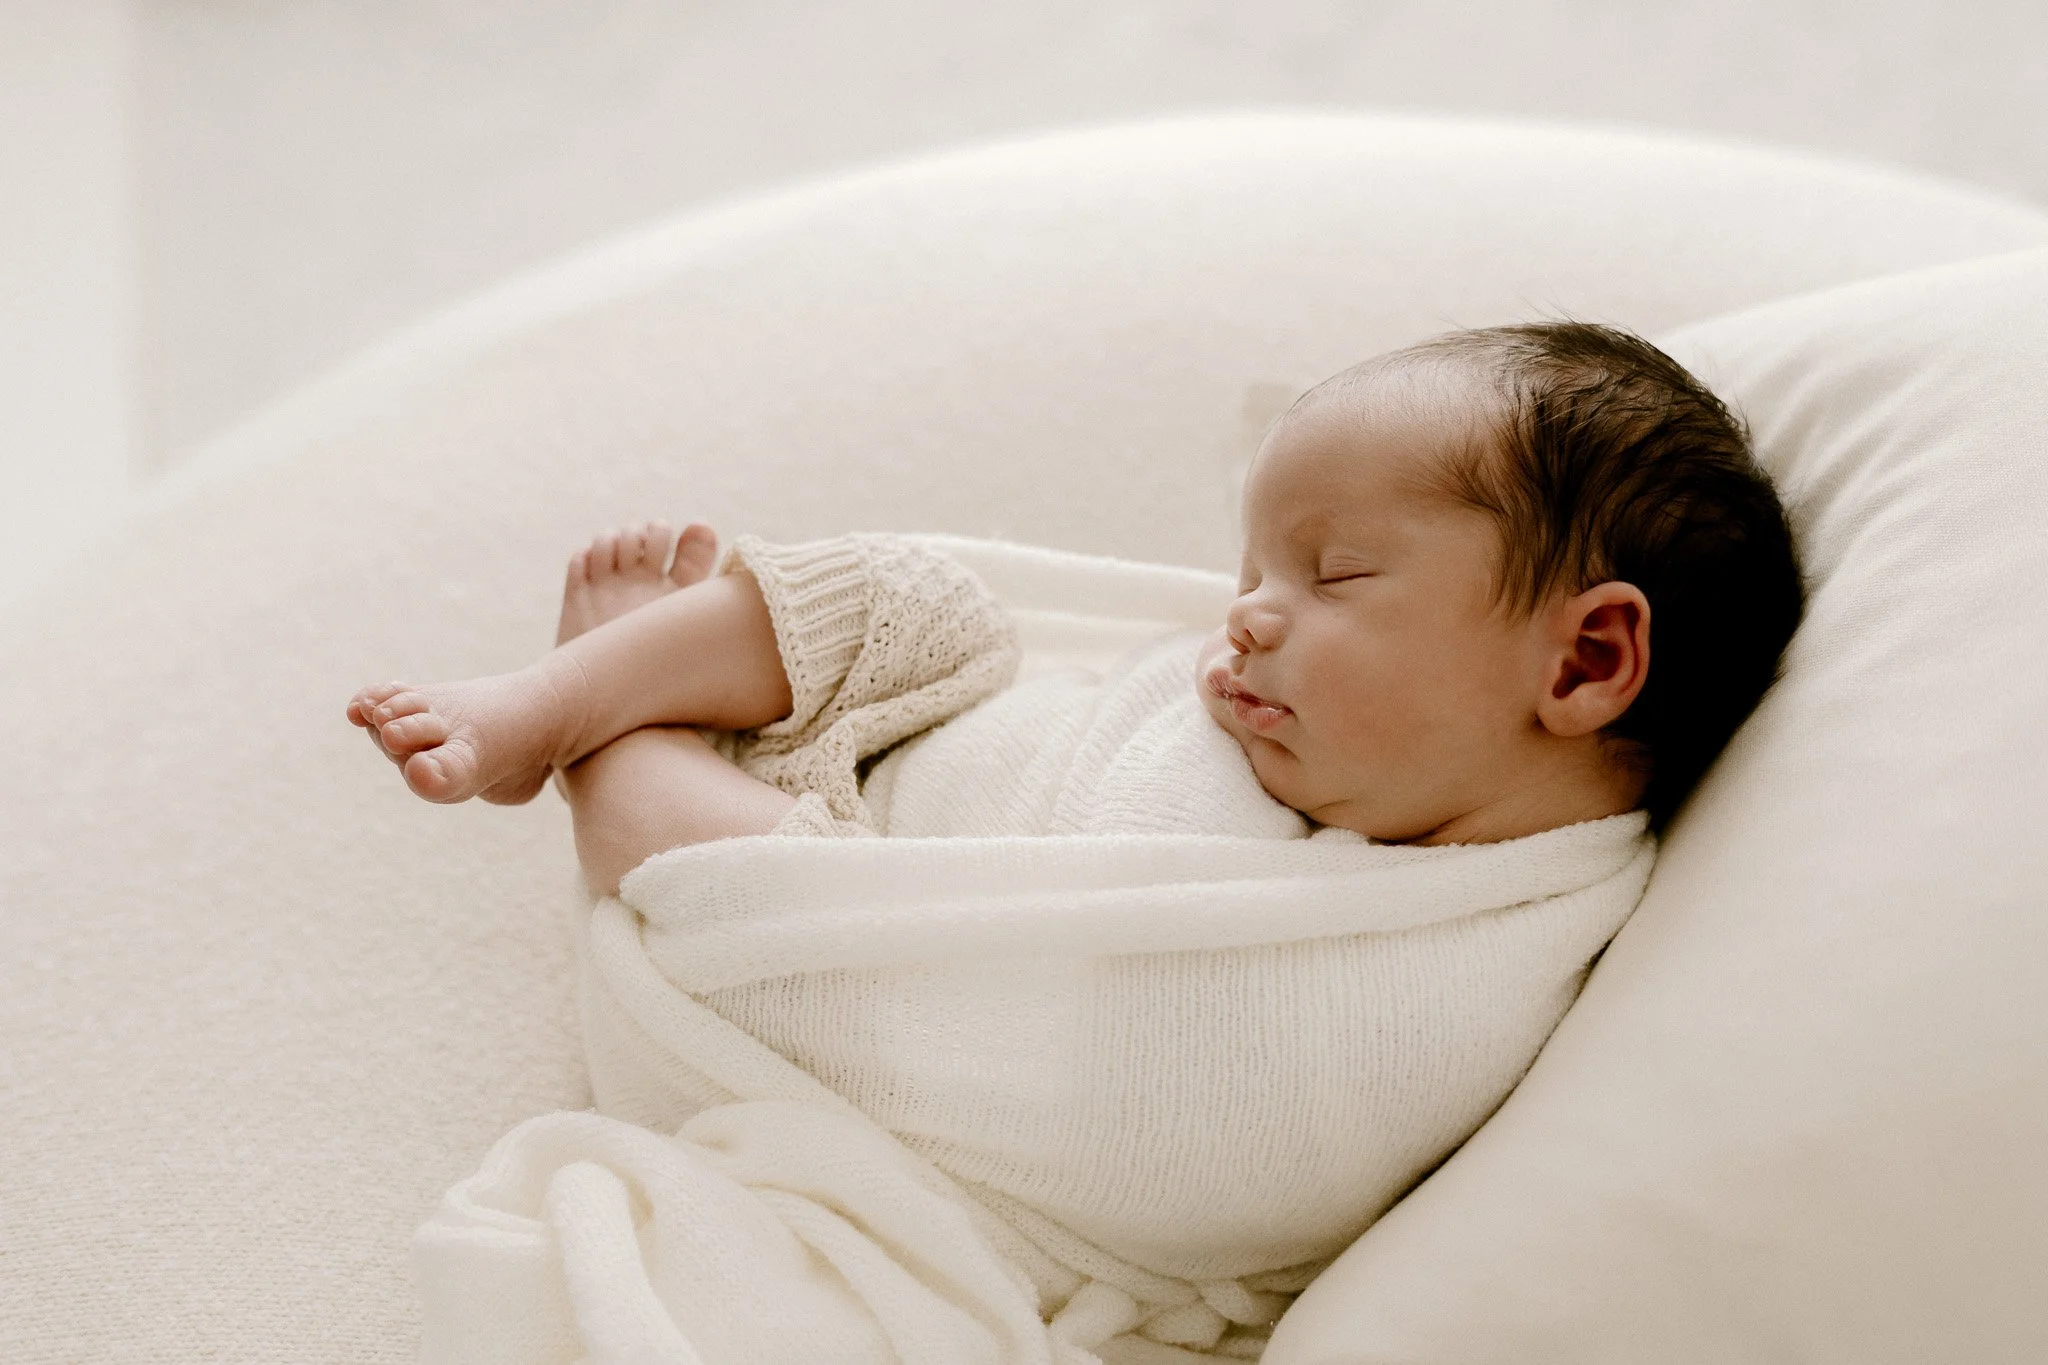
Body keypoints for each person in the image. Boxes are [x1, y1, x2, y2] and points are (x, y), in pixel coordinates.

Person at [346, 320, 1804, 895]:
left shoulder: (1425, 941)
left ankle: (610, 729)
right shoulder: (1344, 742)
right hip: (941, 740)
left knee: (766, 872)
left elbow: (1140, 1090)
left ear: (1591, 656)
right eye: (1248, 580)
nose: (1243, 622)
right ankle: (559, 702)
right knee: (926, 601)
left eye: (1335, 574)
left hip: (879, 891)